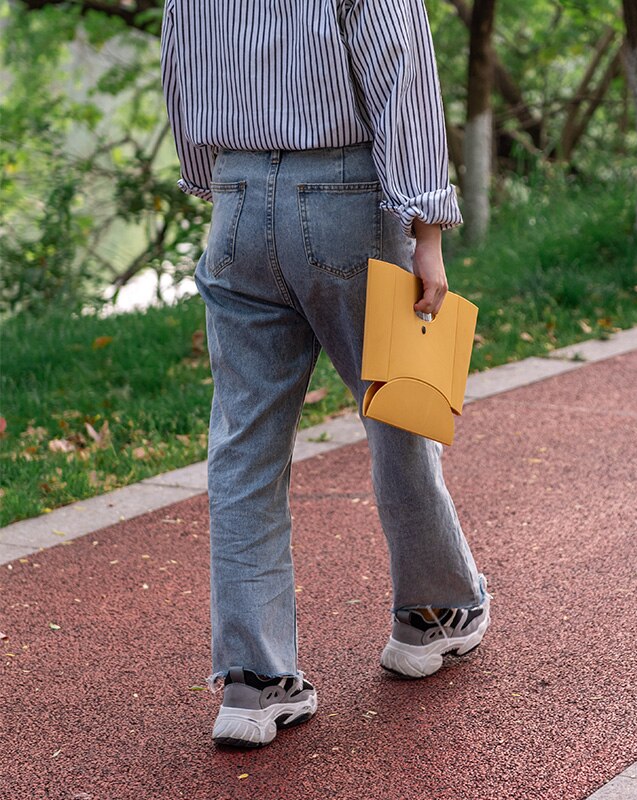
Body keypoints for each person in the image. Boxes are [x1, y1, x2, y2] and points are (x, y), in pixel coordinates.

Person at [160, 0, 490, 748]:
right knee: (398, 408)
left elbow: (181, 67)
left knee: (243, 446)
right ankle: (431, 615)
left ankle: (253, 682)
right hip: (346, 193)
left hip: (236, 198)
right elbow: (401, 76)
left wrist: (223, 179)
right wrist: (428, 230)